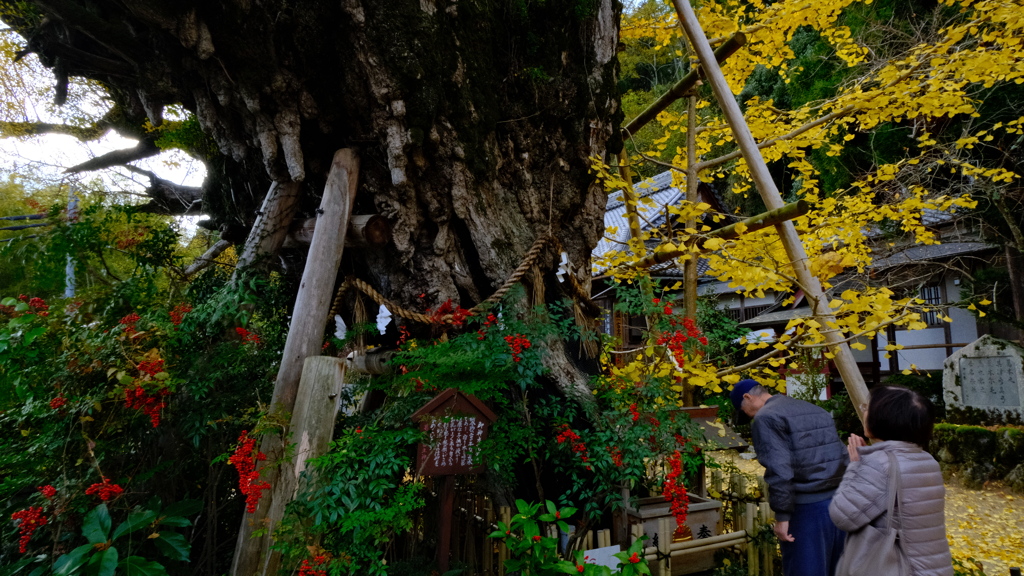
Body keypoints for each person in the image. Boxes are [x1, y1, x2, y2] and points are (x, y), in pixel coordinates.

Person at [829, 386, 953, 576]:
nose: (864, 412)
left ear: (883, 418)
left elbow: (842, 516)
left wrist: (855, 465)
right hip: (933, 567)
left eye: (867, 408)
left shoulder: (880, 464)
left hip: (898, 568)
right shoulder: (927, 460)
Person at [731, 378, 848, 576]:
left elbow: (779, 470)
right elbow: (842, 454)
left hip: (807, 510)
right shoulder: (814, 409)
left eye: (744, 411)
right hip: (840, 503)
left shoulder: (766, 417)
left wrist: (782, 516)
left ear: (748, 397)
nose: (749, 417)